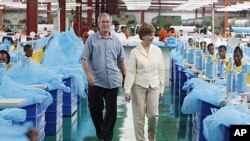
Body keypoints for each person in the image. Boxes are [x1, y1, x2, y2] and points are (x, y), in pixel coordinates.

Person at [81, 13, 126, 141]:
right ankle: (100, 129)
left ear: (111, 24)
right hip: (96, 81)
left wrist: (125, 75)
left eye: (108, 22)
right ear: (98, 24)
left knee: (112, 111)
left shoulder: (116, 40)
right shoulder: (91, 40)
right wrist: (88, 75)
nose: (106, 24)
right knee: (95, 108)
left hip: (112, 80)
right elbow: (84, 59)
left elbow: (121, 60)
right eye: (103, 22)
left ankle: (106, 136)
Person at [124, 23, 165, 141]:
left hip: (154, 85)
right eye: (149, 34)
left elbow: (161, 71)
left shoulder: (157, 51)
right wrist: (127, 90)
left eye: (153, 34)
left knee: (153, 115)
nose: (152, 37)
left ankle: (152, 138)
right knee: (139, 117)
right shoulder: (135, 52)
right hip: (138, 87)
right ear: (142, 35)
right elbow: (131, 72)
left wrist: (161, 89)